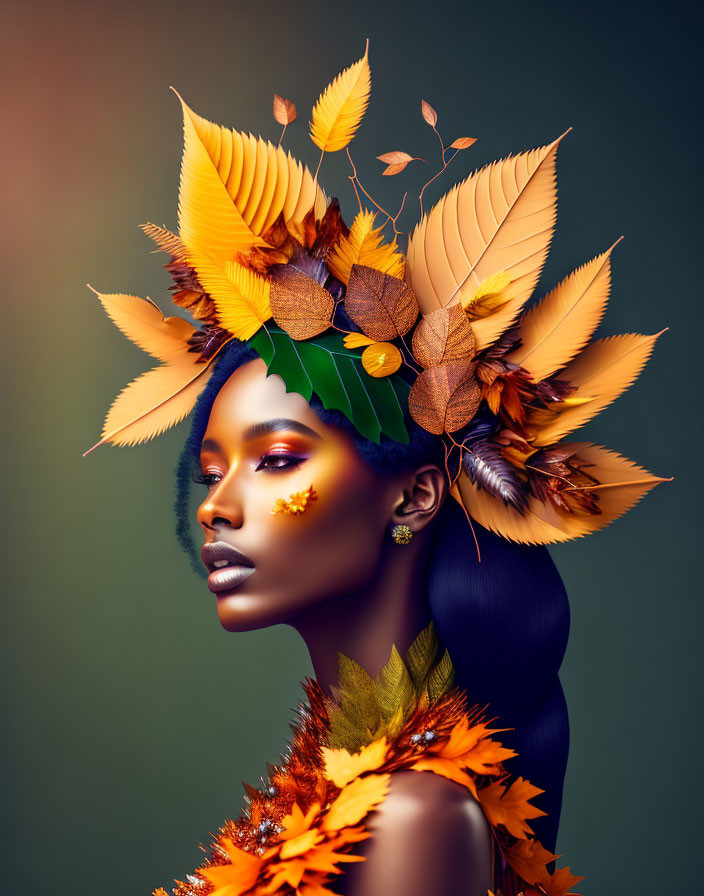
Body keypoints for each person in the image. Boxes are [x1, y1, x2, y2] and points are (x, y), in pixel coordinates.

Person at [85, 43, 665, 896]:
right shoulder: (344, 779)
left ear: (417, 492)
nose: (216, 508)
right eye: (211, 473)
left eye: (276, 460)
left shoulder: (413, 818)